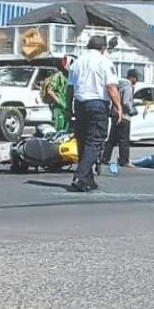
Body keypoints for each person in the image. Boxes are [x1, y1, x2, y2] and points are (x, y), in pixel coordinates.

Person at [68, 35, 122, 192]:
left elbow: (70, 88)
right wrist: (119, 107)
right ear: (103, 48)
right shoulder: (104, 62)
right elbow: (111, 87)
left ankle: (88, 180)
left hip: (80, 104)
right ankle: (80, 176)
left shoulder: (77, 62)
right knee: (95, 142)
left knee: (83, 142)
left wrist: (67, 108)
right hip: (97, 103)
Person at [102, 69, 139, 171]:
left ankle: (105, 158)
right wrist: (132, 111)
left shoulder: (118, 86)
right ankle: (124, 160)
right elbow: (126, 102)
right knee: (124, 140)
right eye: (136, 78)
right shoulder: (128, 87)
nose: (136, 81)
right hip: (124, 116)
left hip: (115, 114)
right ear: (132, 78)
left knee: (111, 139)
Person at [44, 59, 70, 132]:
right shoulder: (58, 76)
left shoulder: (69, 76)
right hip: (59, 108)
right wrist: (59, 102)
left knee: (66, 129)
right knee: (59, 129)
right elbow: (50, 91)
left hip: (67, 108)